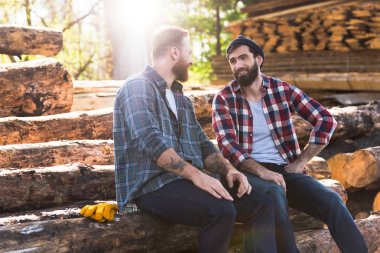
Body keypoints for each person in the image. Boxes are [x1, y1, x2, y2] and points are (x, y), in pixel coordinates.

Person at [113, 27, 277, 253]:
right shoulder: (137, 86)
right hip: (150, 187)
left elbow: (202, 144)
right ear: (174, 53)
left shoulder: (181, 99)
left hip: (183, 182)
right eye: (189, 53)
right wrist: (197, 176)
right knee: (221, 210)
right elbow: (149, 140)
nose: (192, 60)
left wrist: (229, 170)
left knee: (263, 204)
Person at [212, 35, 368, 253]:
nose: (238, 65)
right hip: (247, 173)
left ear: (258, 59)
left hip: (285, 170)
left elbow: (326, 120)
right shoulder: (224, 98)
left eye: (243, 58)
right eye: (232, 61)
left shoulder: (281, 90)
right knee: (274, 193)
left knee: (332, 200)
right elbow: (227, 144)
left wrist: (301, 160)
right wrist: (262, 171)